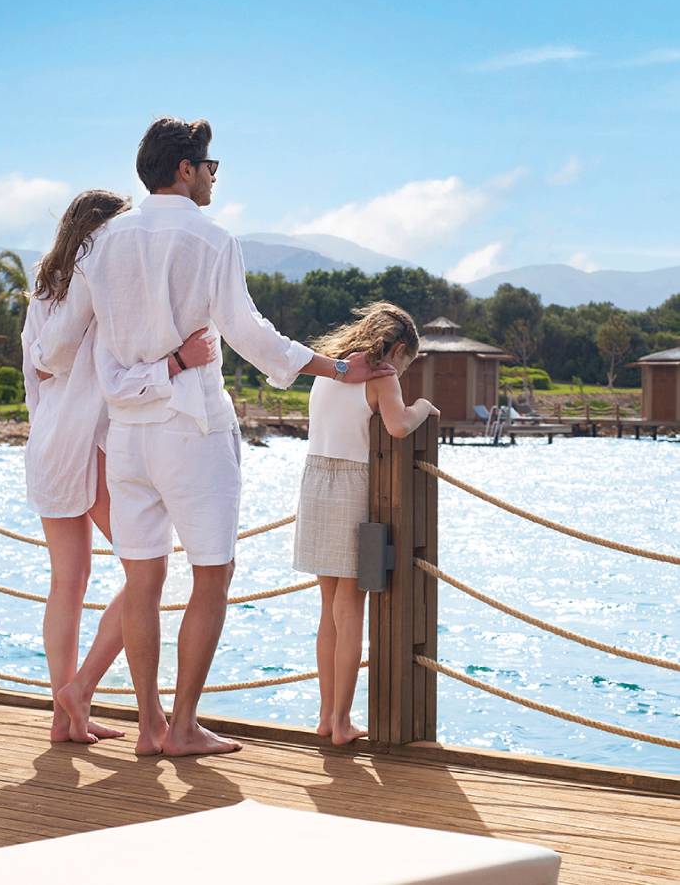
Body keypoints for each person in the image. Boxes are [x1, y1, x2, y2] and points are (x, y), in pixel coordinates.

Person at [31, 117, 396, 758]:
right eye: (211, 167)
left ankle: (147, 728)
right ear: (185, 169)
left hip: (127, 437)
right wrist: (338, 367)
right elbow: (249, 333)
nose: (214, 177)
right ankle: (182, 727)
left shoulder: (100, 245)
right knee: (211, 574)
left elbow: (59, 347)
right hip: (193, 430)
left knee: (141, 581)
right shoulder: (212, 238)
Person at [22, 190, 214, 744]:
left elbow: (38, 369)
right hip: (92, 438)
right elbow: (58, 354)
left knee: (69, 581)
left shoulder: (43, 286)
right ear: (104, 232)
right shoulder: (95, 277)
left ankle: (67, 714)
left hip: (50, 441)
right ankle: (80, 692)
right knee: (145, 572)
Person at [293, 302, 437, 745]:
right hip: (352, 485)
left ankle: (325, 716)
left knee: (327, 609)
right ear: (395, 350)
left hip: (315, 479)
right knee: (350, 606)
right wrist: (424, 407)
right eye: (405, 362)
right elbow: (397, 426)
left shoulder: (330, 370)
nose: (403, 371)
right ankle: (341, 723)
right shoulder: (382, 377)